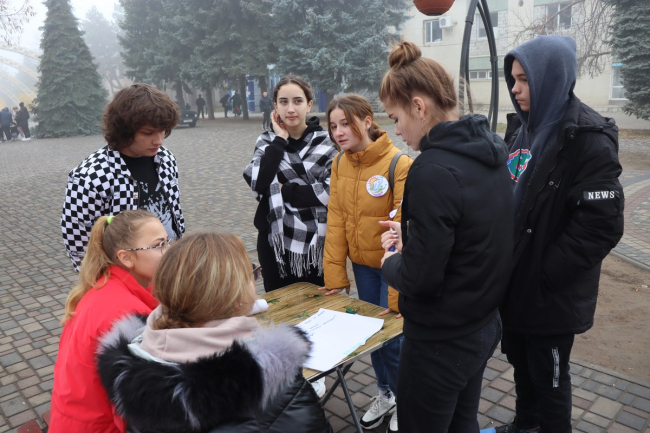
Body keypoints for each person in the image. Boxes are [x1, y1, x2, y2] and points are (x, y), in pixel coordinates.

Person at [378, 41, 513, 432]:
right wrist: (414, 240)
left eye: (396, 118)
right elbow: (477, 235)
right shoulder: (490, 149)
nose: (396, 130)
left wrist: (391, 262)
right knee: (462, 423)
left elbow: (420, 279)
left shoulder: (432, 169)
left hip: (440, 340)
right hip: (482, 324)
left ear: (419, 107)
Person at [492, 36, 625, 433]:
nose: (515, 89)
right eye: (513, 79)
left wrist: (542, 274)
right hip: (513, 285)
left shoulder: (587, 138)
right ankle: (526, 424)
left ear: (550, 78)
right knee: (520, 362)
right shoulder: (520, 130)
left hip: (548, 294)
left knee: (549, 379)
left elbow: (601, 225)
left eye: (524, 79)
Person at [96, 232, 332, 433]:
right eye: (251, 273)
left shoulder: (133, 368)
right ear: (235, 295)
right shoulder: (269, 383)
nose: (255, 279)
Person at [321, 94, 411, 433]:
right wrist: (335, 277)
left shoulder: (398, 163)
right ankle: (385, 394)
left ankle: (405, 401)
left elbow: (403, 225)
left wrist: (398, 291)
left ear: (367, 121)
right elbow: (336, 220)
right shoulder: (339, 163)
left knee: (394, 340)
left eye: (346, 123)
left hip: (393, 269)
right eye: (333, 126)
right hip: (362, 267)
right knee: (372, 336)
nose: (339, 132)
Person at [49, 210, 166, 433]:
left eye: (167, 242)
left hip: (72, 420)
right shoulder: (129, 317)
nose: (168, 252)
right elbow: (139, 411)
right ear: (126, 258)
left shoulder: (104, 284)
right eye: (159, 245)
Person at [61, 83, 184, 272]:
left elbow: (175, 211)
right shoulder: (90, 176)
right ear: (124, 130)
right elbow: (78, 244)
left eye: (163, 131)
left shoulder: (165, 158)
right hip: (125, 277)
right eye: (148, 133)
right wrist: (106, 282)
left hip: (171, 268)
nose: (159, 140)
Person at [243, 75, 337, 293]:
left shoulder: (327, 142)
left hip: (317, 241)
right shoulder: (267, 141)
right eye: (283, 102)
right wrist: (279, 140)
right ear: (275, 106)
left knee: (316, 302)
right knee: (279, 303)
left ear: (309, 104)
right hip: (275, 240)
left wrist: (283, 190)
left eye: (298, 101)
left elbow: (332, 191)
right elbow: (259, 182)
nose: (291, 109)